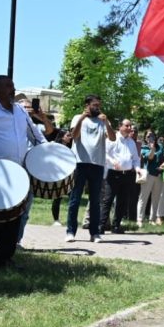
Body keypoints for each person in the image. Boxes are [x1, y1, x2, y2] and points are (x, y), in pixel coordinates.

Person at [0, 76, 43, 268]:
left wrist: (47, 151)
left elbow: (35, 136)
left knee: (13, 218)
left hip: (18, 173)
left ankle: (5, 257)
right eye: (8, 86)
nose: (13, 90)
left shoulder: (20, 110)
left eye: (13, 86)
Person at [65, 95, 115, 243]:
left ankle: (95, 233)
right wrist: (81, 118)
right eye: (94, 105)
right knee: (75, 198)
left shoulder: (103, 120)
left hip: (97, 164)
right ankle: (70, 231)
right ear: (87, 105)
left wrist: (106, 123)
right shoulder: (77, 118)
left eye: (98, 105)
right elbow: (74, 136)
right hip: (80, 162)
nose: (97, 108)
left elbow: (112, 138)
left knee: (95, 201)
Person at [102, 119, 140, 233]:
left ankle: (116, 226)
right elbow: (104, 153)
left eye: (130, 126)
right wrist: (112, 161)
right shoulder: (112, 138)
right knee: (108, 200)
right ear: (120, 126)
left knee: (122, 201)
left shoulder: (131, 142)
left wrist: (138, 169)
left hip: (127, 175)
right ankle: (101, 226)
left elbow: (136, 159)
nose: (130, 128)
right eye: (127, 126)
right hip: (113, 174)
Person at [138, 131, 164, 226]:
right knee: (143, 197)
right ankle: (140, 220)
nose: (151, 137)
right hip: (148, 175)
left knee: (156, 198)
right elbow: (150, 158)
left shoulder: (161, 147)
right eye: (148, 136)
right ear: (145, 138)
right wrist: (152, 148)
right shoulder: (144, 148)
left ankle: (152, 219)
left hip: (158, 175)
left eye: (152, 135)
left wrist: (163, 165)